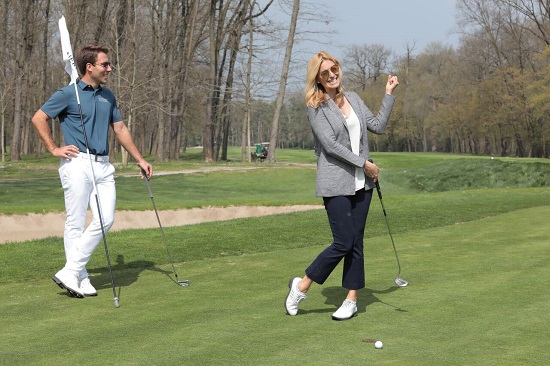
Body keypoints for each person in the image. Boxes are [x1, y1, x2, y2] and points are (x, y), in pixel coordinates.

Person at [32, 43, 153, 298]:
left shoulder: (108, 96)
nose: (110, 68)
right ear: (90, 67)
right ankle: (80, 276)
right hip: (77, 164)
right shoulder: (68, 93)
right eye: (105, 64)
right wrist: (54, 148)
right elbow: (39, 118)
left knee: (105, 219)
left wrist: (140, 159)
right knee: (75, 222)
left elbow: (119, 129)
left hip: (103, 166)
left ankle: (70, 270)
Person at [284, 51, 399, 320]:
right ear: (318, 78)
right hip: (335, 182)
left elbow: (378, 126)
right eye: (325, 73)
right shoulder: (316, 107)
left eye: (334, 69)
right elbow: (331, 146)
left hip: (363, 185)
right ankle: (301, 287)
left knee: (356, 242)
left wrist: (389, 94)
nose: (332, 75)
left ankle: (351, 300)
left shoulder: (354, 99)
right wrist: (364, 164)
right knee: (344, 241)